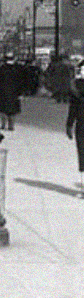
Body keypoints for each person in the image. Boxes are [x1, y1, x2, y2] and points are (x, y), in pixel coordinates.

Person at [66, 62, 84, 197]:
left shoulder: (76, 87)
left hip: (81, 123)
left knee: (83, 154)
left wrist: (69, 124)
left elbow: (73, 108)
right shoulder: (76, 86)